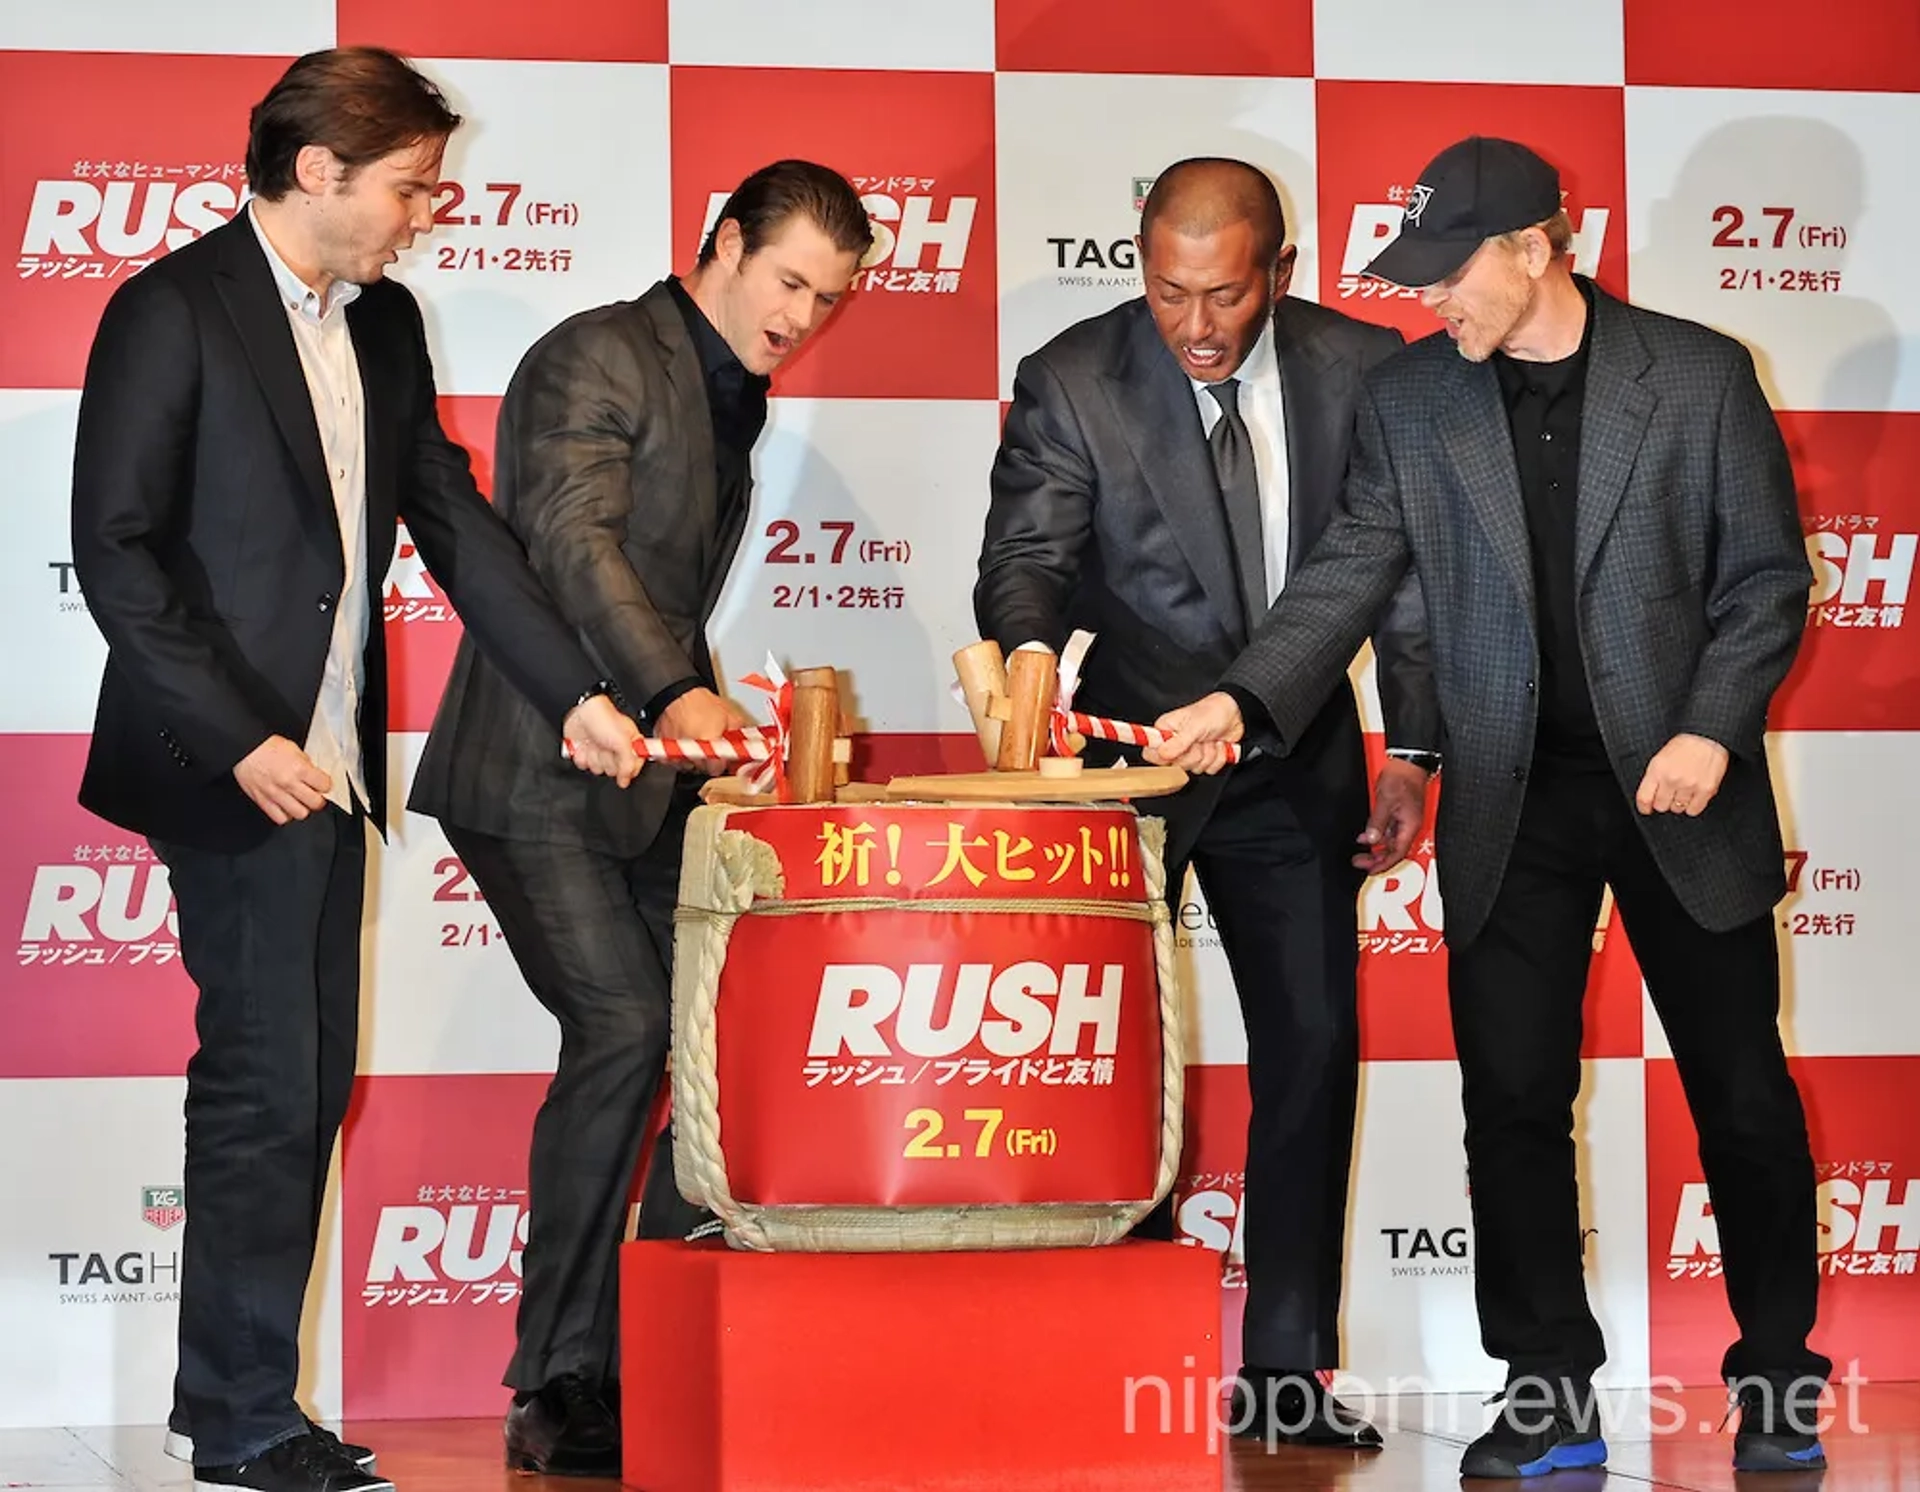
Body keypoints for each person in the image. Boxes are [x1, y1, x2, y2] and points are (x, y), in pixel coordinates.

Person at [1151, 136, 1830, 1478]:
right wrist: (1243, 699)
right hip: (1511, 798)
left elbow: (1767, 585)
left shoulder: (1694, 377)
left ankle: (1778, 1374)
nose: (1430, 303)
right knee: (1510, 1100)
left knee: (1741, 1094)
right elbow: (1347, 571)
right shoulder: (1416, 400)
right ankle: (1546, 1392)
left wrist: (1707, 730)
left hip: (1680, 792)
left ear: (1539, 247)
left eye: (1450, 273)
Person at [69, 46, 643, 1492]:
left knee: (303, 1084)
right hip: (232, 762)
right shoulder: (170, 309)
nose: (428, 215)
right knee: (270, 1081)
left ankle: (235, 1405)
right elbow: (121, 556)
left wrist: (573, 690)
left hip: (321, 770)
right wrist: (242, 736)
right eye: (410, 187)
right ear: (318, 171)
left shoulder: (383, 323)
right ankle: (251, 1419)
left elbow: (452, 522)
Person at [407, 159, 871, 1478]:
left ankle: (643, 1340)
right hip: (531, 768)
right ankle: (553, 1380)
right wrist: (674, 690)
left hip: (653, 773)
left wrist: (702, 725)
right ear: (721, 243)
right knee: (621, 1026)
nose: (801, 314)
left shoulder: (740, 395)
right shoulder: (595, 353)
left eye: (826, 298)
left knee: (726, 1039)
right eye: (787, 280)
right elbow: (569, 539)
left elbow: (666, 592)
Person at [974, 157, 1441, 1448]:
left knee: (1313, 1052)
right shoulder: (1075, 378)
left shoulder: (1365, 367)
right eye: (1168, 291)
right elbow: (1025, 560)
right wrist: (1026, 653)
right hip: (1132, 770)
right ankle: (1100, 1353)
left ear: (1278, 275)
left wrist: (1416, 749)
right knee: (1100, 1066)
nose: (1192, 325)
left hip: (1294, 761)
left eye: (1223, 297)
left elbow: (1397, 578)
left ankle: (1287, 1371)